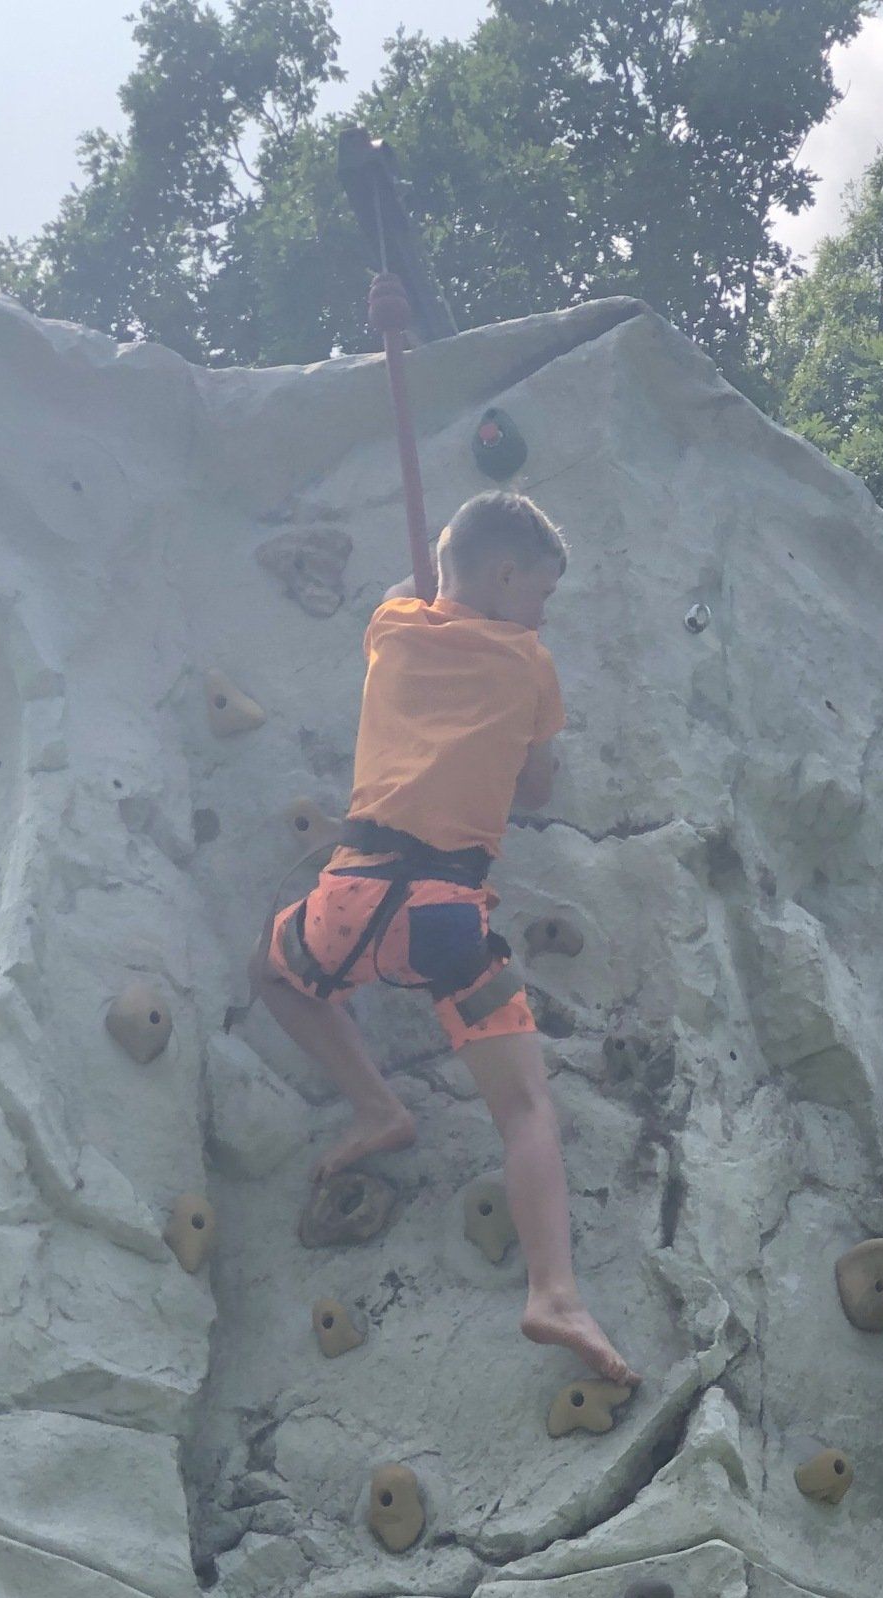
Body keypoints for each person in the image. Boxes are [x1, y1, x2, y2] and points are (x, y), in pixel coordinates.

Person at [253, 490, 635, 1388]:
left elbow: (416, 583)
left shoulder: (391, 626)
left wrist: (444, 574)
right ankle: (554, 1291)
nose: (544, 612)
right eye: (540, 591)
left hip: (348, 897)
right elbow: (536, 789)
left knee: (274, 972)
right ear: (505, 576)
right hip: (446, 922)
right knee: (527, 1110)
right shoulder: (531, 665)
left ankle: (377, 1106)